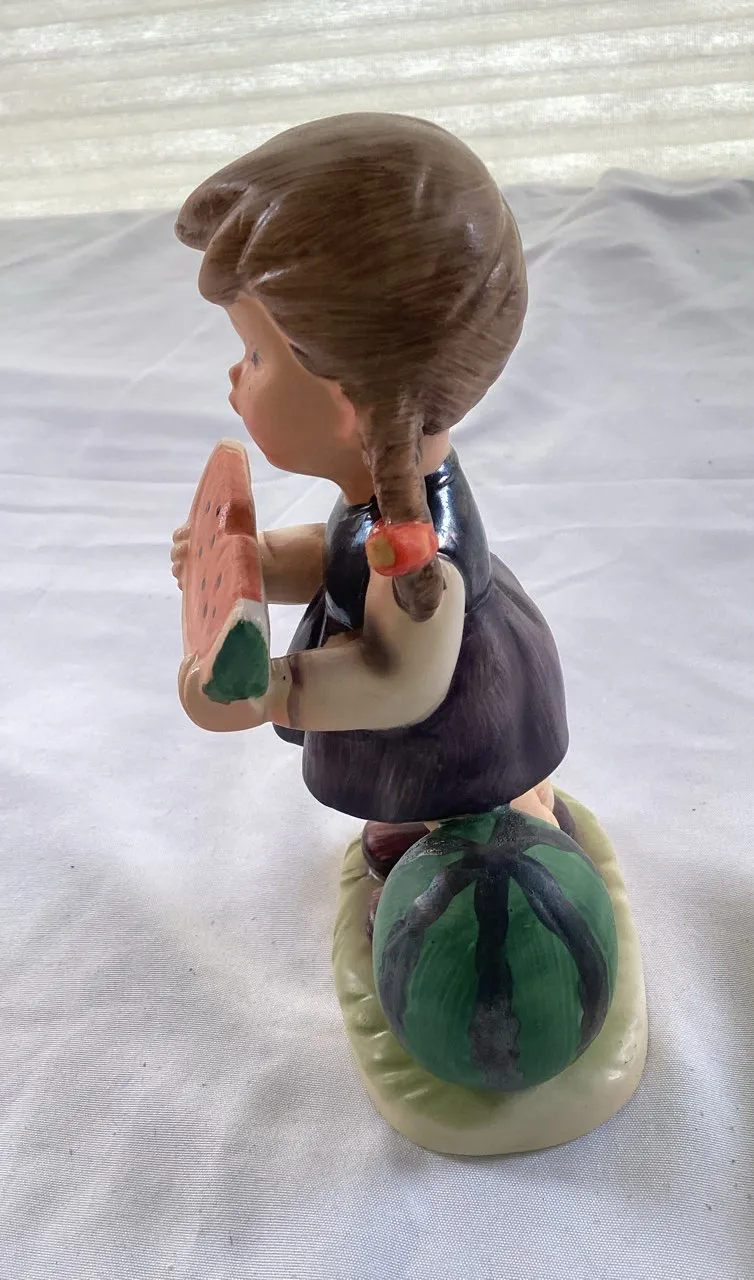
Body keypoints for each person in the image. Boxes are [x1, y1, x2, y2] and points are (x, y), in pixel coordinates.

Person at [170, 113, 572, 864]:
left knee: (466, 798)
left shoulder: (423, 555)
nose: (233, 374)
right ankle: (456, 825)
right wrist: (252, 560)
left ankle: (510, 822)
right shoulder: (384, 506)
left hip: (459, 722)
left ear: (348, 401)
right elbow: (337, 559)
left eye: (255, 355)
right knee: (419, 815)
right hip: (437, 695)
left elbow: (399, 682)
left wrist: (269, 690)